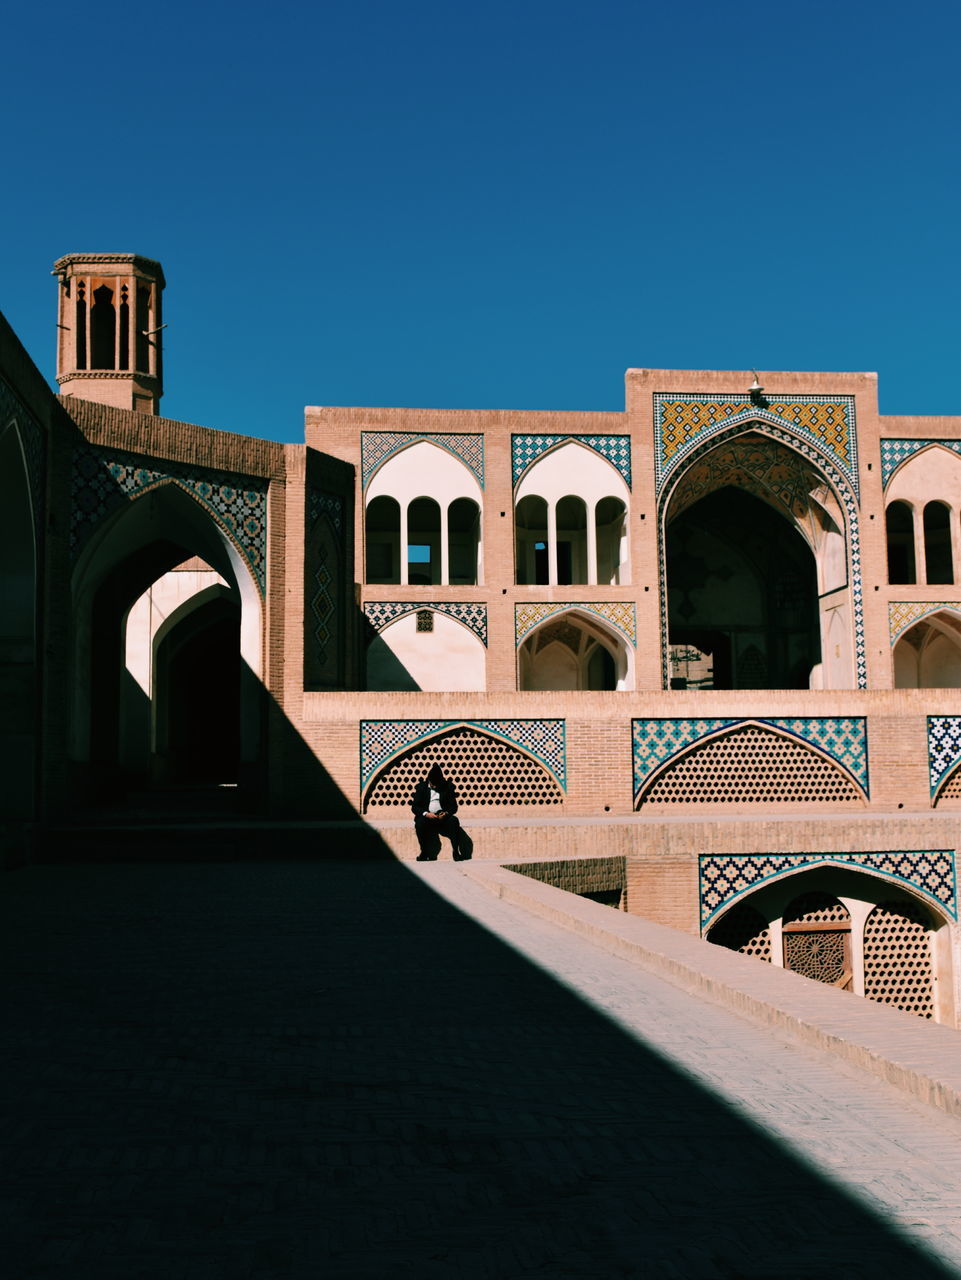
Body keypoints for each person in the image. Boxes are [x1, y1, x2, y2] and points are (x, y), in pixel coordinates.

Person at [411, 763, 464, 861]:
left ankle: (456, 852)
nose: (434, 786)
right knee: (419, 824)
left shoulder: (448, 787)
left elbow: (454, 807)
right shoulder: (421, 787)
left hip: (442, 817)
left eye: (437, 784)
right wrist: (426, 814)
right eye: (432, 784)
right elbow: (415, 807)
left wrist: (446, 814)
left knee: (454, 821)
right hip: (427, 817)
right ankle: (424, 852)